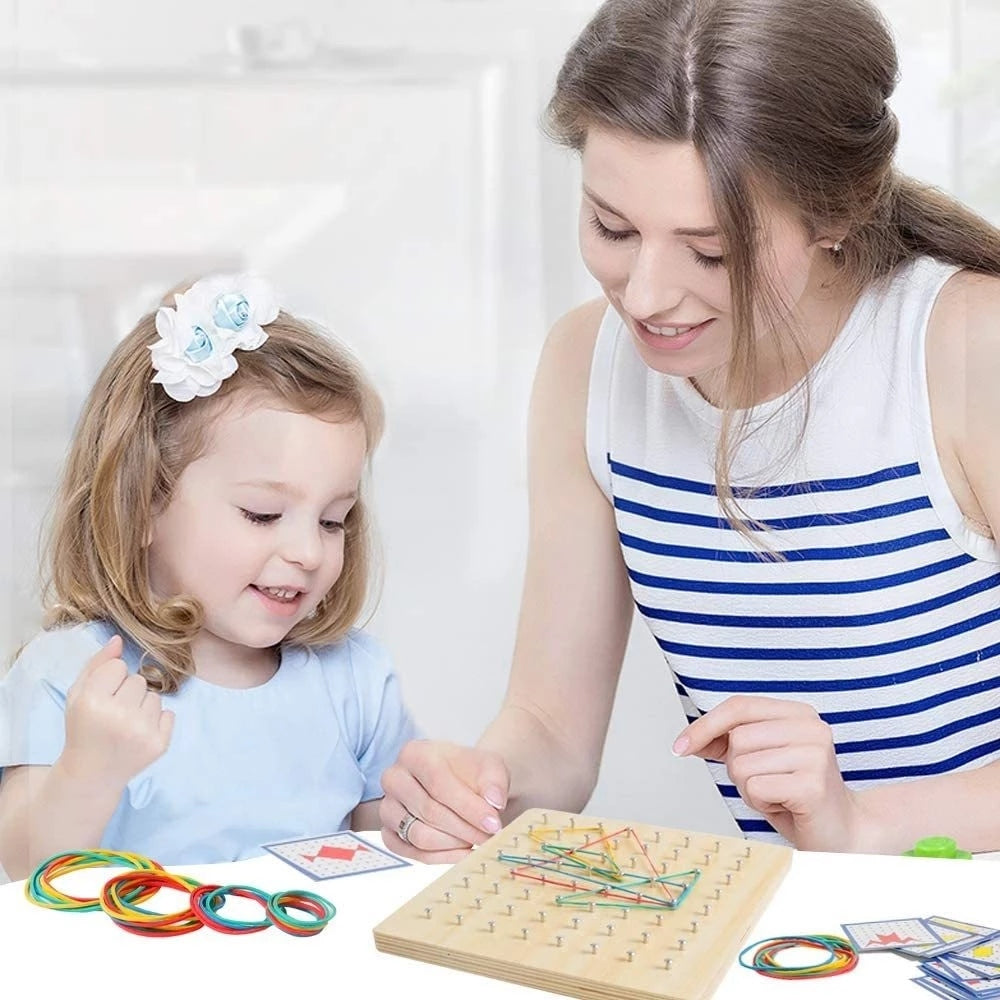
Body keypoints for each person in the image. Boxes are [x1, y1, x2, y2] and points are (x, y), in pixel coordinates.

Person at [379, 0, 1000, 861]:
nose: (645, 296)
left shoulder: (965, 348)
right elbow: (551, 730)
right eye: (612, 227)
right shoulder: (588, 370)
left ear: (838, 211)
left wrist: (863, 824)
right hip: (806, 925)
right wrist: (476, 793)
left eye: (711, 252)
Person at [0, 274, 416, 879]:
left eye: (333, 521)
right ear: (143, 503)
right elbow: (20, 867)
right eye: (262, 514)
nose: (308, 551)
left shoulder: (356, 679)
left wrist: (428, 814)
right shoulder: (71, 674)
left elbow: (388, 853)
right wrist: (86, 774)